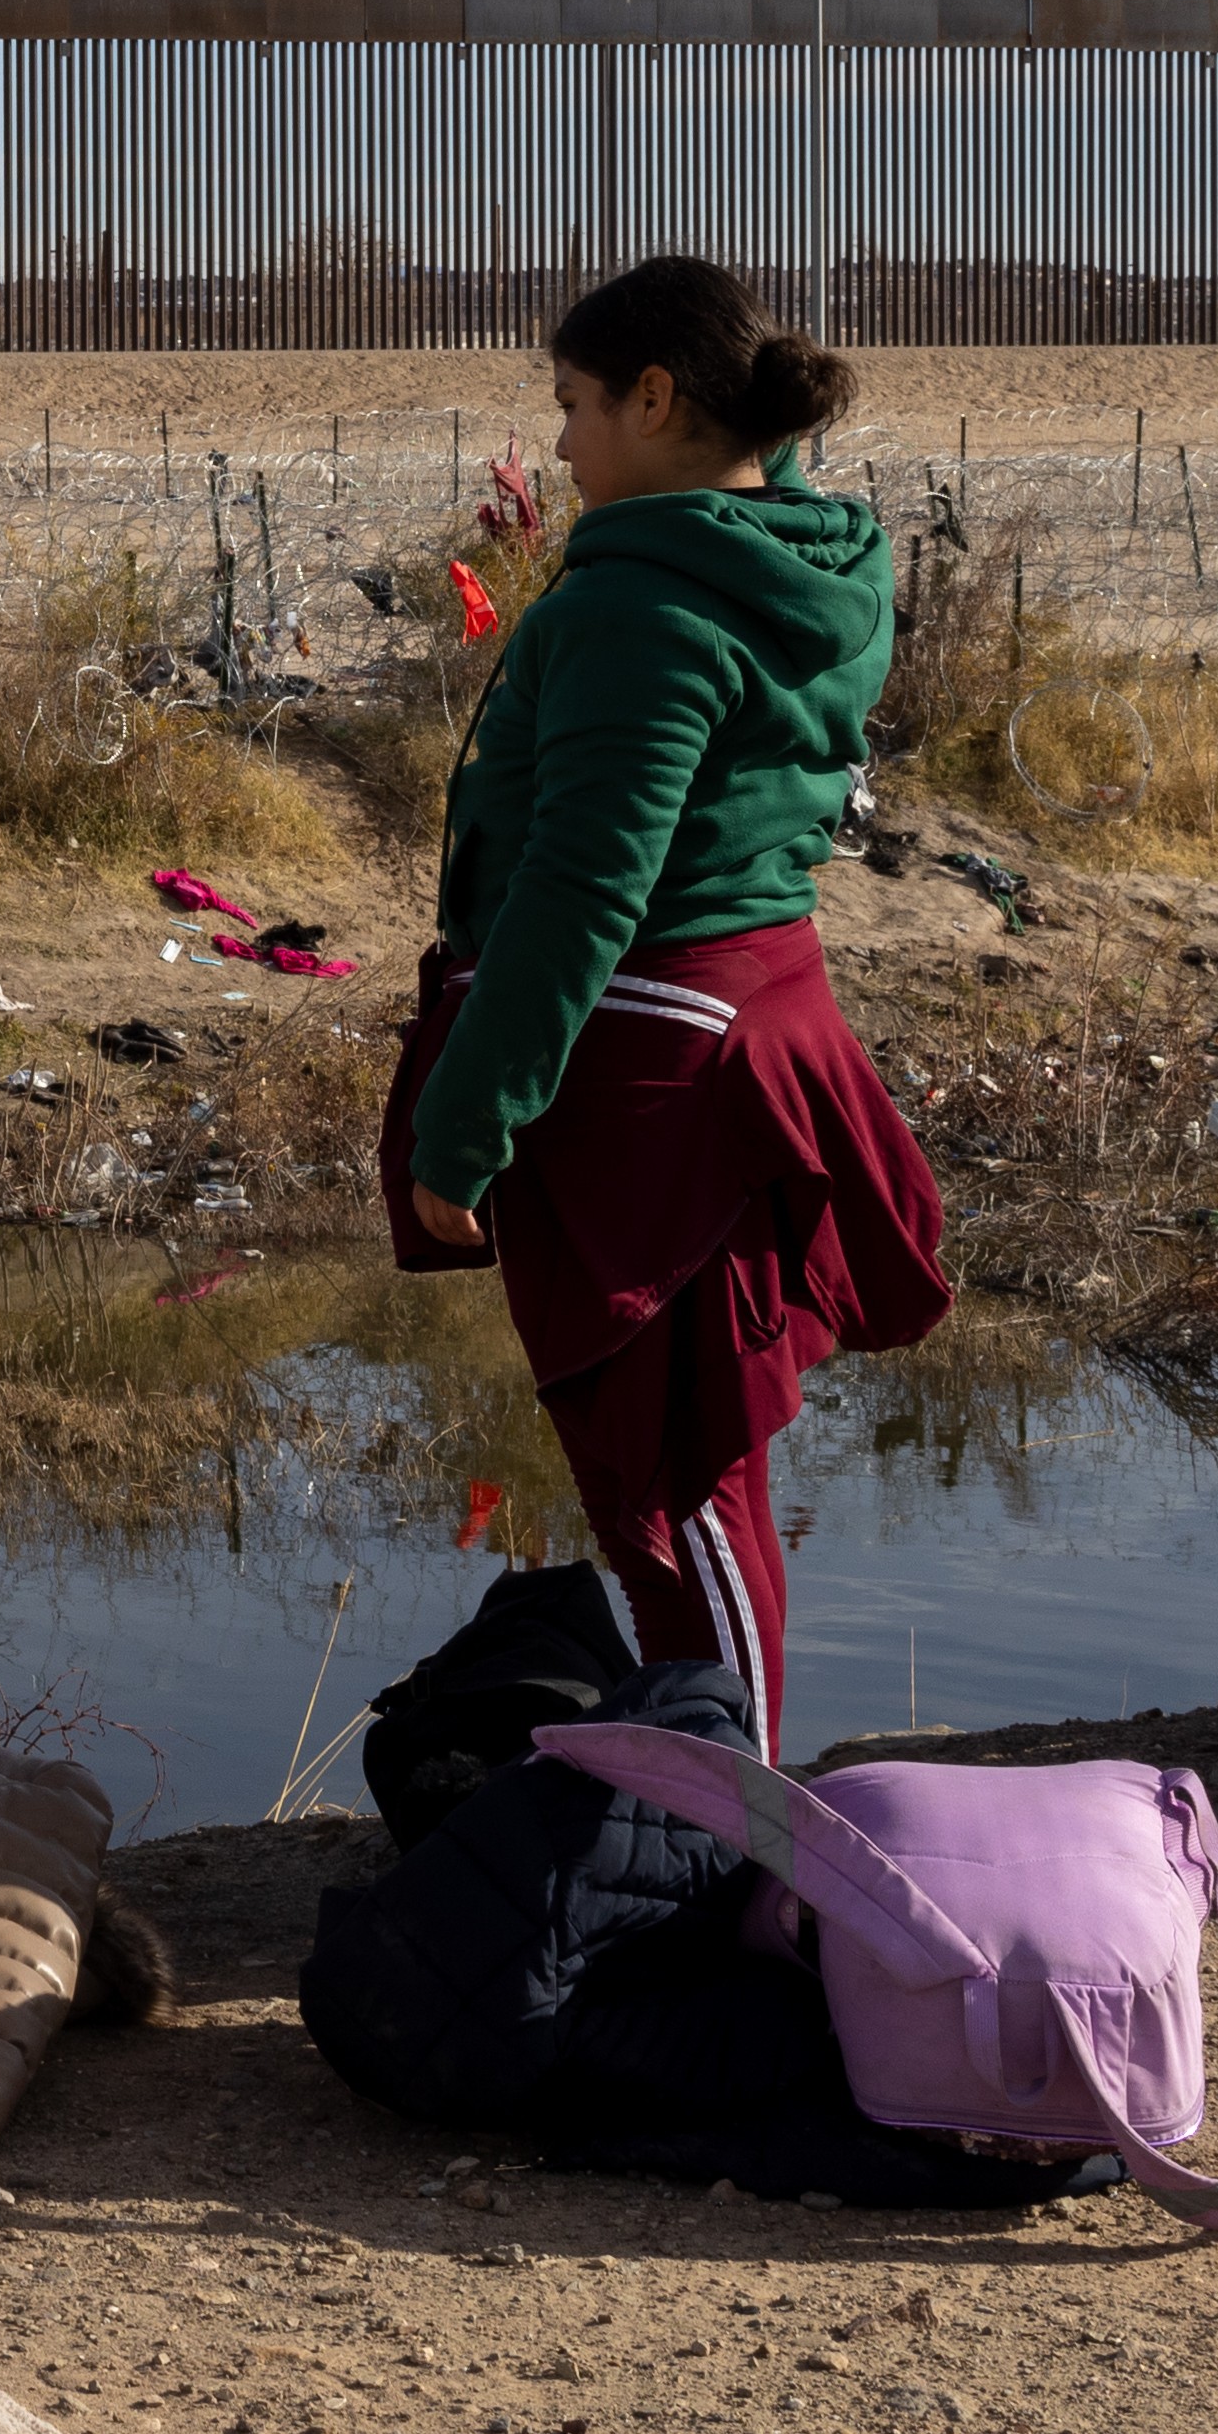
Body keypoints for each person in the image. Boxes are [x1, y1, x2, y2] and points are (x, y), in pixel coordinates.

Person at [381, 256, 944, 1740]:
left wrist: (461, 1135)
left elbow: (581, 891)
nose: (558, 446)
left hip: (647, 1071)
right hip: (753, 1021)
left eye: (572, 405)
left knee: (666, 1475)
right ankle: (704, 1790)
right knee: (697, 1473)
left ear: (653, 398)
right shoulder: (802, 556)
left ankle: (736, 1830)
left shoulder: (640, 602)